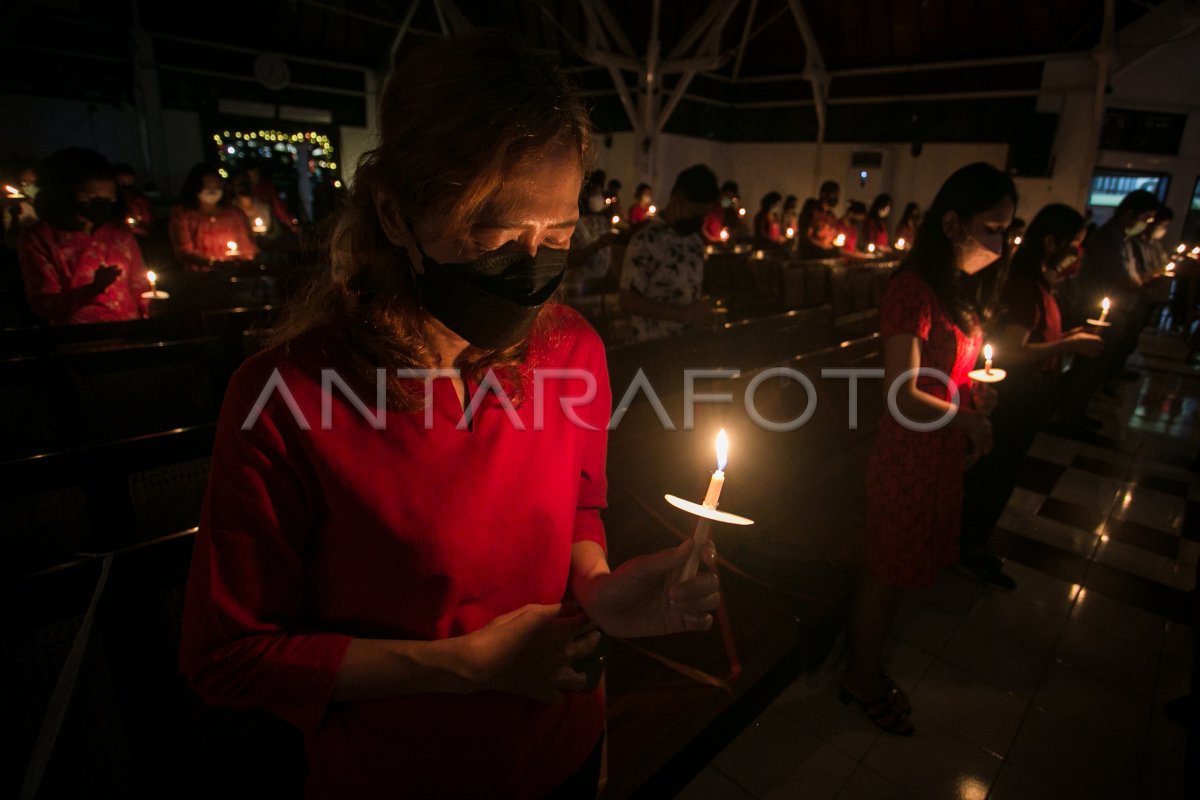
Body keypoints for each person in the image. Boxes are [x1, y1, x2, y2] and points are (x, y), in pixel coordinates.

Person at [179, 32, 720, 800]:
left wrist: (600, 587)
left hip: (563, 740)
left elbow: (580, 504)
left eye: (559, 235)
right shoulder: (287, 398)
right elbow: (228, 655)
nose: (532, 265)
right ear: (398, 217)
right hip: (408, 770)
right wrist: (464, 667)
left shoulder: (571, 350)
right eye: (495, 233)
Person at [842, 162, 1014, 735]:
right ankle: (859, 677)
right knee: (885, 574)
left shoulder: (951, 291)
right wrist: (963, 418)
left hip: (933, 455)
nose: (1001, 241)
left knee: (898, 571)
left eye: (1007, 229)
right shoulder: (912, 290)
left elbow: (946, 375)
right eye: (992, 226)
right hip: (906, 459)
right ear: (952, 223)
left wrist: (970, 399)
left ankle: (865, 668)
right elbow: (902, 394)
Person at [959, 204, 1103, 589]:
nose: (1077, 251)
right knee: (994, 473)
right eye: (1074, 243)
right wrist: (1067, 344)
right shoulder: (1024, 284)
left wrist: (1062, 338)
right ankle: (967, 548)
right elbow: (1013, 350)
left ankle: (970, 544)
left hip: (1025, 394)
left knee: (999, 472)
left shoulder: (1037, 280)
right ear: (1051, 240)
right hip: (1017, 394)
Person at [1056, 189, 1159, 434]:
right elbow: (1120, 276)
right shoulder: (1106, 239)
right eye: (1146, 218)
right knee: (1088, 366)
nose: (1146, 224)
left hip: (1117, 310)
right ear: (1130, 213)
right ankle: (1070, 416)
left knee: (1096, 367)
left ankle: (1075, 411)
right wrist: (1141, 283)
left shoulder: (1124, 239)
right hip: (1096, 310)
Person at [17, 148, 151, 325]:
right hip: (79, 338)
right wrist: (94, 289)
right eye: (90, 197)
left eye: (109, 197)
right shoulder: (40, 238)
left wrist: (150, 310)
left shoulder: (119, 233)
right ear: (61, 194)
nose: (101, 203)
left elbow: (139, 284)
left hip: (129, 332)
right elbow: (44, 304)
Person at [620, 164, 719, 342]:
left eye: (704, 215)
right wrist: (683, 314)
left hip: (687, 345)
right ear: (677, 199)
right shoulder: (647, 240)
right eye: (696, 212)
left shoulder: (694, 241)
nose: (699, 220)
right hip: (652, 348)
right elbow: (628, 300)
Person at [168, 163, 258, 271]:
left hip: (235, 274)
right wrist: (213, 264)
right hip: (199, 277)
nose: (212, 190)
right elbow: (184, 251)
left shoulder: (235, 214)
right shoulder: (182, 214)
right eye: (207, 185)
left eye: (217, 185)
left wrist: (242, 261)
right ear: (195, 186)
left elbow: (247, 246)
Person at [566, 179, 618, 289]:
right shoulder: (574, 224)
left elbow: (607, 253)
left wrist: (612, 273)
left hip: (600, 285)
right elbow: (570, 261)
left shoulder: (603, 222)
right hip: (578, 285)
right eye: (594, 193)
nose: (598, 197)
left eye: (599, 193)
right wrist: (597, 245)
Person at [798, 180, 839, 257]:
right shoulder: (811, 210)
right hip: (810, 256)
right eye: (833, 194)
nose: (836, 197)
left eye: (837, 194)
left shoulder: (831, 216)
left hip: (826, 256)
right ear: (823, 193)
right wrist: (821, 245)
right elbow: (805, 235)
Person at [114, 162, 155, 238]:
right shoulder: (110, 202)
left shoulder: (140, 201)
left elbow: (148, 228)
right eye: (121, 182)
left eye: (127, 182)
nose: (124, 185)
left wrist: (133, 227)